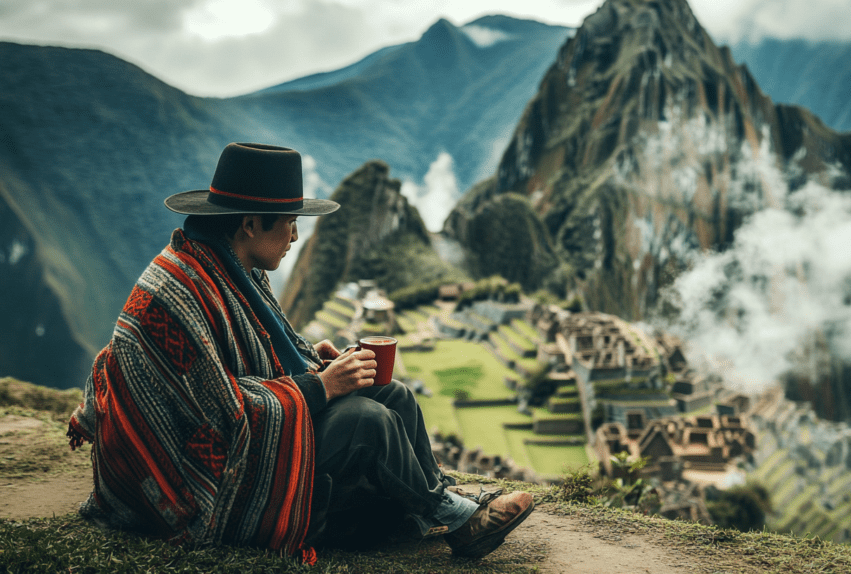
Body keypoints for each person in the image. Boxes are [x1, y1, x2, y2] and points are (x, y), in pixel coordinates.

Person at [67, 142, 533, 563]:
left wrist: (315, 364)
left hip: (251, 432)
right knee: (365, 422)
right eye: (290, 223)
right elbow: (219, 414)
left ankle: (435, 500)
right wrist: (319, 386)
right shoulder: (180, 295)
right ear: (250, 225)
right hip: (196, 476)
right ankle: (454, 519)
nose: (294, 236)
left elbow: (263, 359)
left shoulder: (232, 268)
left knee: (393, 395)